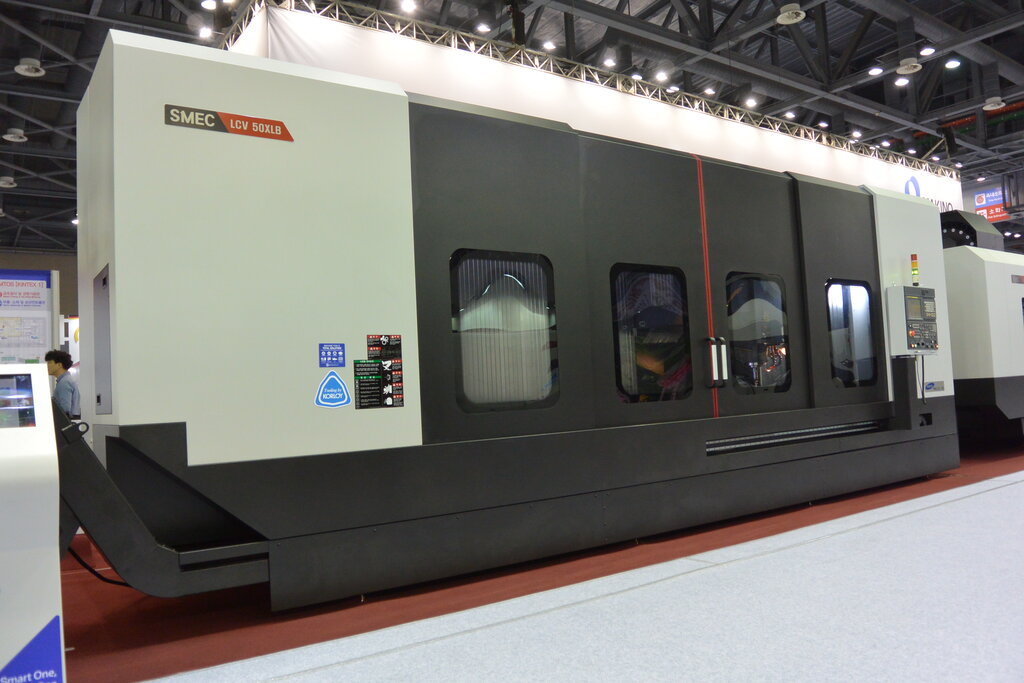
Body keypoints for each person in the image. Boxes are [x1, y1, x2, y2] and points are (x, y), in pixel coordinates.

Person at [45, 349, 80, 418]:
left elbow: (65, 409)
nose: (47, 366)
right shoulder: (66, 380)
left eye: (49, 363)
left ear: (59, 365)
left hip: (66, 420)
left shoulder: (64, 382)